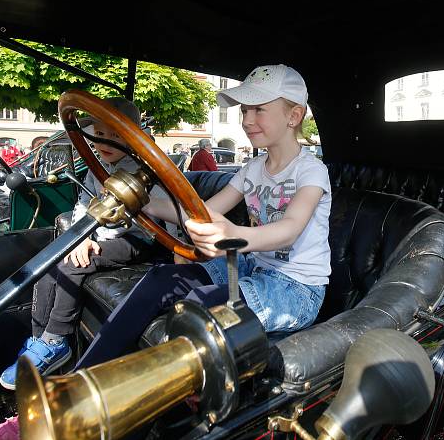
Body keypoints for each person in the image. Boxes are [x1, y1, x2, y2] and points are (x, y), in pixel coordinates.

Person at [72, 63, 330, 369]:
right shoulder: (252, 169)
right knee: (160, 280)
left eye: (258, 110)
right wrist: (141, 203)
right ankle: (78, 379)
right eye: (243, 111)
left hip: (296, 287)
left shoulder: (311, 170)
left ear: (294, 115)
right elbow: (202, 212)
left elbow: (290, 228)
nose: (247, 120)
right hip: (251, 267)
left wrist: (236, 236)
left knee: (196, 309)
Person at [0, 98, 168, 390]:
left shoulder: (144, 169)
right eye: (99, 135)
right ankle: (40, 340)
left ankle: (57, 338)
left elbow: (136, 219)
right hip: (97, 232)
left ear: (132, 138)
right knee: (49, 259)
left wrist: (92, 241)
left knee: (75, 264)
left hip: (137, 237)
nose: (105, 142)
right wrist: (82, 235)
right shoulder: (98, 165)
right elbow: (83, 204)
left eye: (115, 136)